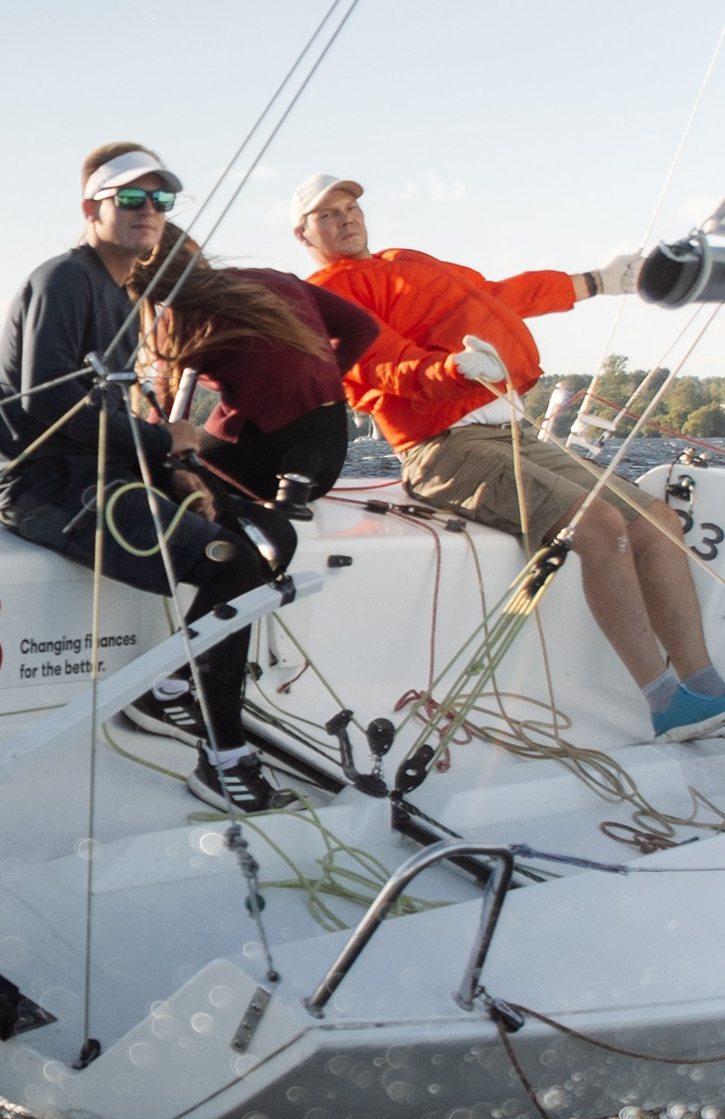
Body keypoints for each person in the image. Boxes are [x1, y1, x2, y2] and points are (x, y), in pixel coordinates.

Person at [293, 173, 725, 741]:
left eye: (351, 208)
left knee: (657, 522)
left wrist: (597, 281)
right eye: (328, 215)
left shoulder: (406, 262)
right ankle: (666, 701)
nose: (346, 218)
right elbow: (379, 366)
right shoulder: (330, 293)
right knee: (598, 525)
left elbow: (501, 296)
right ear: (304, 235)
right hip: (445, 446)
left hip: (516, 433)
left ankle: (708, 689)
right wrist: (453, 371)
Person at [0, 143, 292, 813]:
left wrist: (176, 469)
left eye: (160, 200)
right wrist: (163, 440)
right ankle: (220, 750)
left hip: (96, 474)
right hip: (44, 489)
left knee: (266, 537)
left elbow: (106, 419)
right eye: (130, 199)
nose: (147, 212)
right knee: (229, 563)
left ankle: (179, 686)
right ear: (92, 208)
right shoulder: (63, 280)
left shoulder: (122, 300)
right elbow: (49, 410)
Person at [127, 226, 382, 505]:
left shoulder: (177, 319)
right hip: (326, 458)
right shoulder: (274, 279)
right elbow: (363, 327)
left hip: (262, 463)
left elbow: (166, 424)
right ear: (192, 244)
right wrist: (322, 381)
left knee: (150, 470)